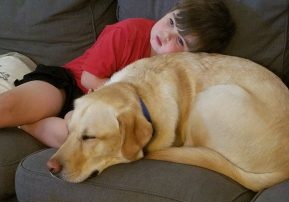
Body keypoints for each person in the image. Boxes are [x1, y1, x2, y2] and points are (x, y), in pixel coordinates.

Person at [0, 0, 235, 148]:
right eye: (171, 22)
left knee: (76, 137)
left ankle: (28, 123)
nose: (167, 35)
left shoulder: (174, 73)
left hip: (98, 110)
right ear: (169, 11)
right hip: (68, 82)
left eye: (180, 40)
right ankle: (25, 115)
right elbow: (88, 79)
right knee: (11, 106)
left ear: (192, 55)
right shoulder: (128, 31)